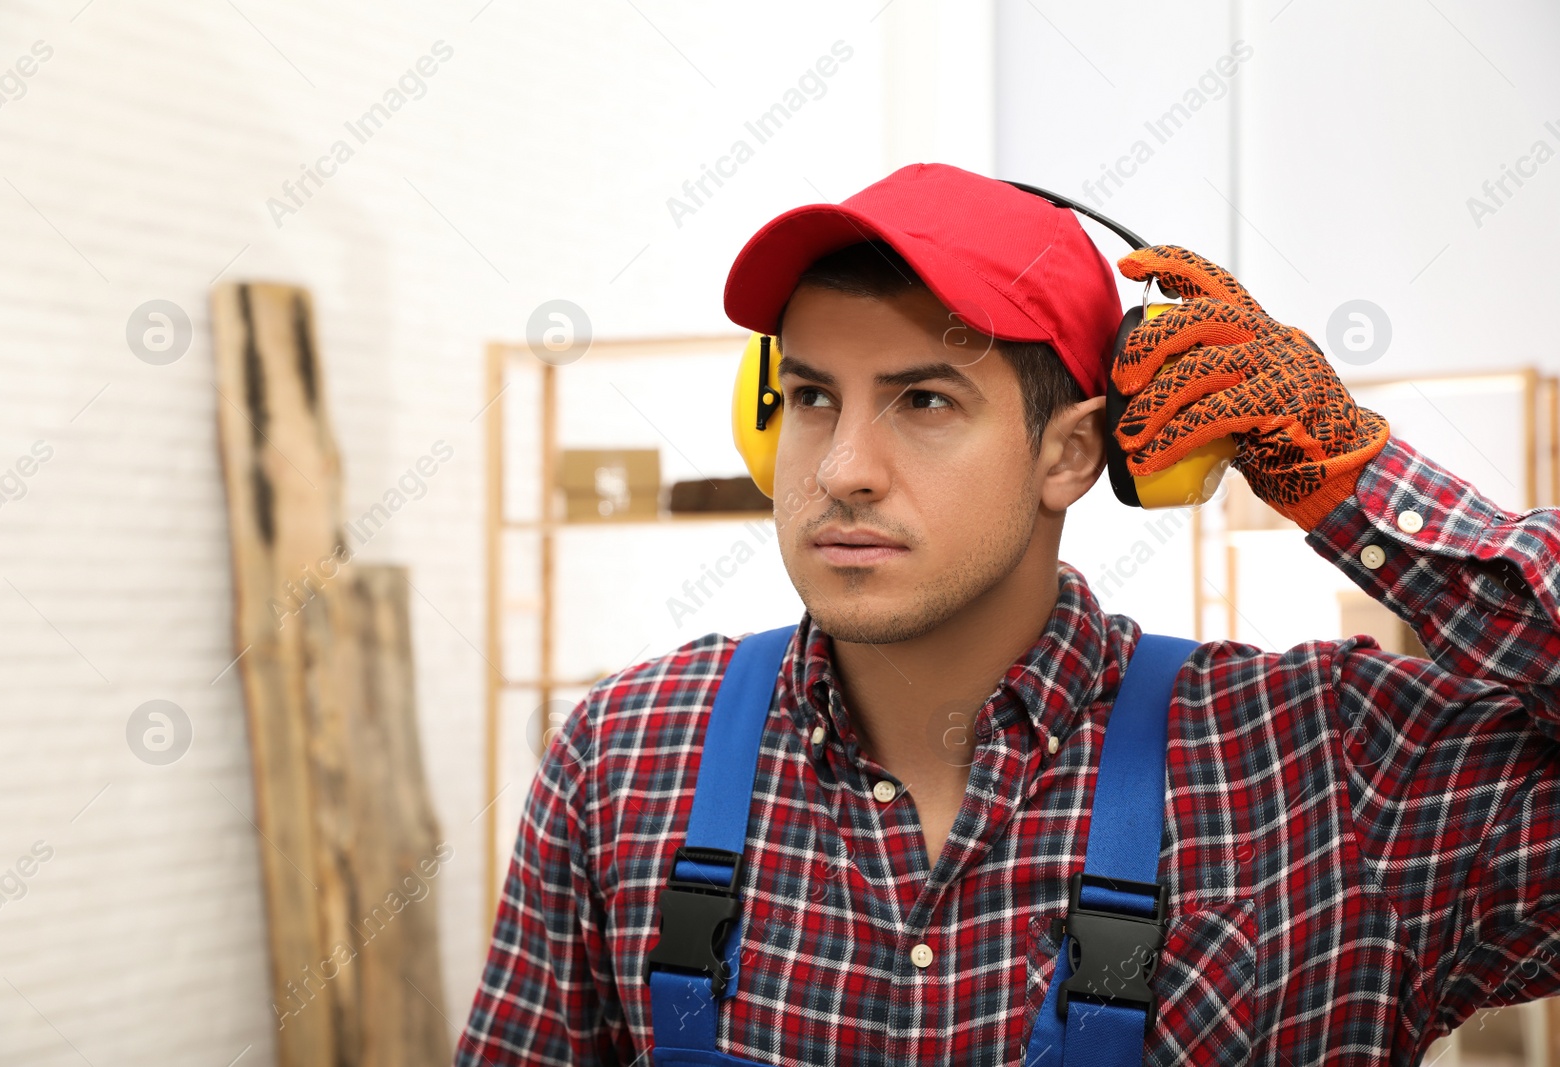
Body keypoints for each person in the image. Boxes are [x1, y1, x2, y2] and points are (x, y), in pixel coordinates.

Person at [455, 162, 1560, 1065]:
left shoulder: (1327, 769)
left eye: (924, 400)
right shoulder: (627, 754)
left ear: (1069, 451)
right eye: (810, 398)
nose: (840, 469)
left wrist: (1351, 482)